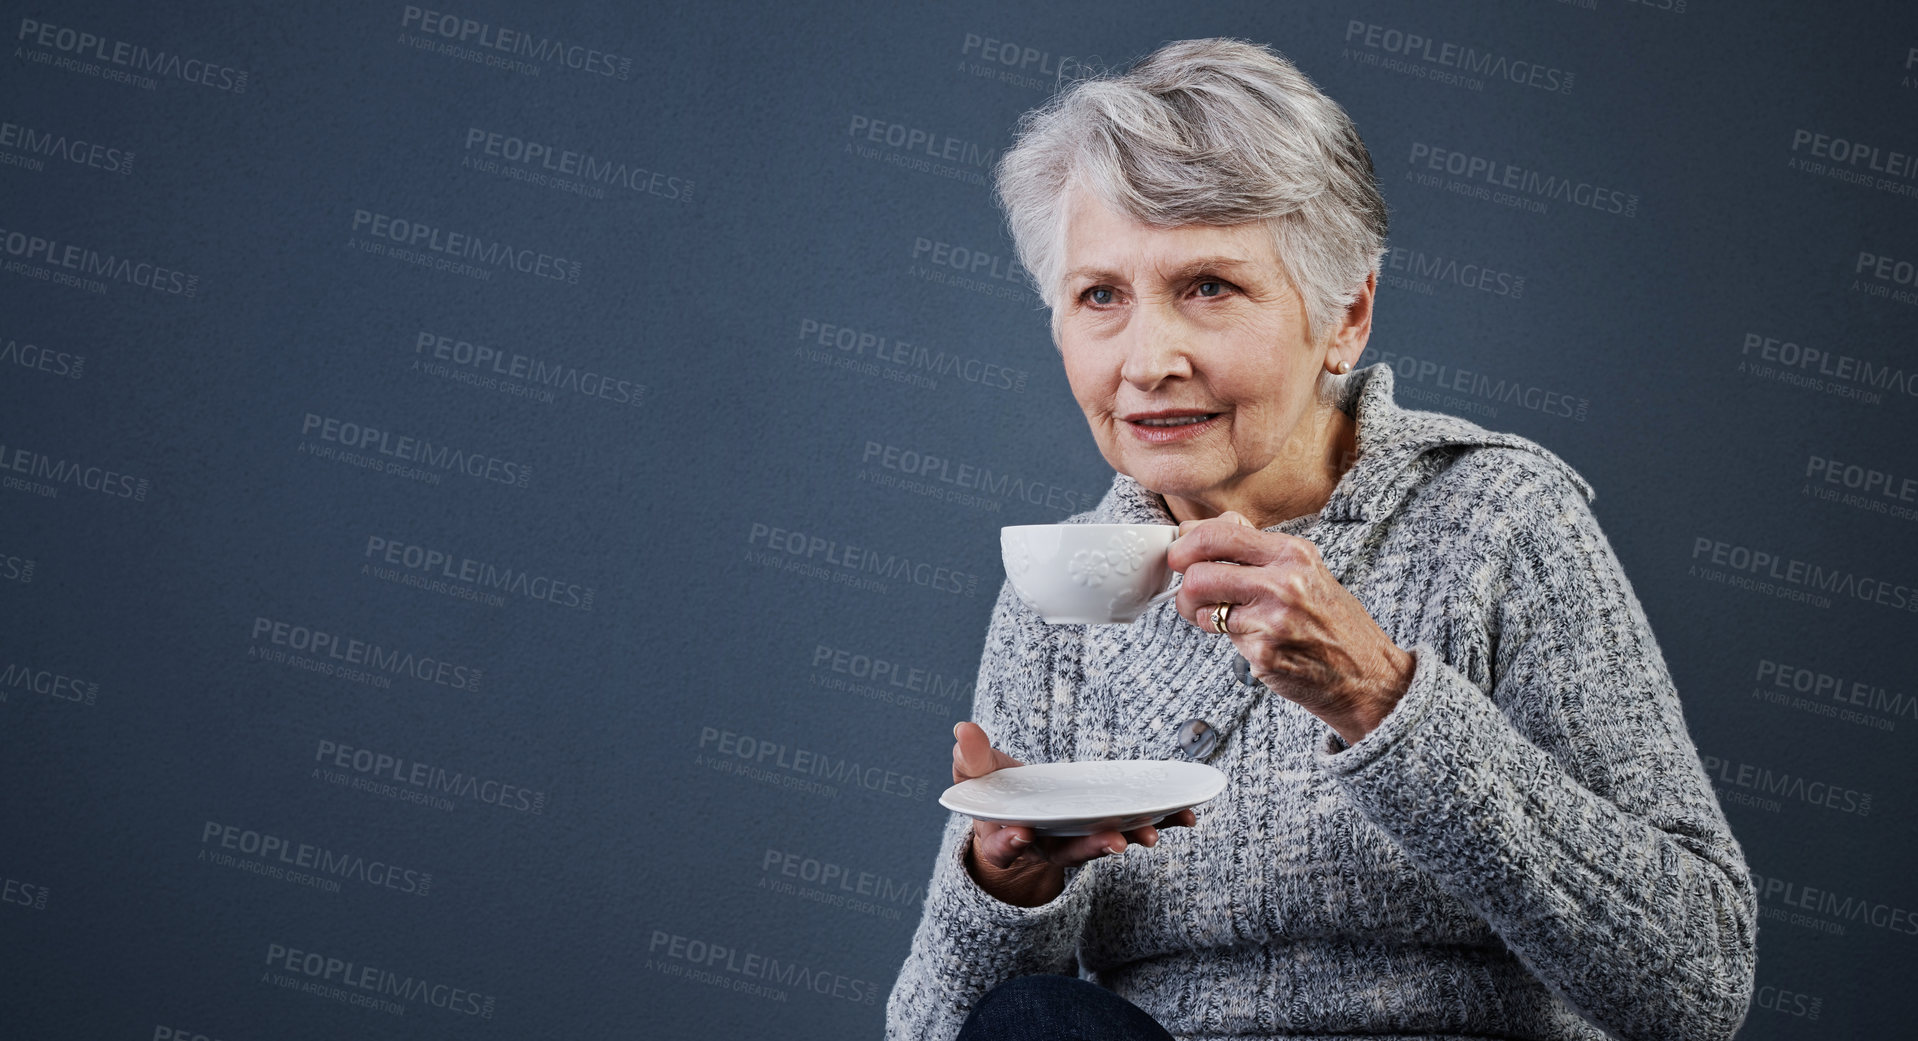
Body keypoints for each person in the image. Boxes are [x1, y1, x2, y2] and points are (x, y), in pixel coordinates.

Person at [884, 37, 1756, 1041]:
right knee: (1038, 1019)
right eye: (1100, 297)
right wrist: (1006, 885)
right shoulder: (1063, 590)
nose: (1148, 360)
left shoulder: (1500, 523)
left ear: (1345, 316)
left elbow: (1696, 986)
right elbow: (932, 1034)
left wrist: (1385, 702)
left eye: (1209, 286)